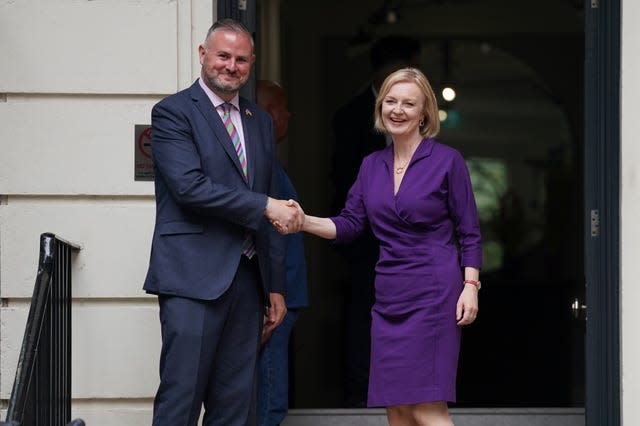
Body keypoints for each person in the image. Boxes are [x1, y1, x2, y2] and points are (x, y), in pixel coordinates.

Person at [296, 67, 482, 425]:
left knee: (427, 408)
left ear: (424, 112)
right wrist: (303, 221)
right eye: (390, 101)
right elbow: (350, 225)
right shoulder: (371, 166)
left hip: (435, 293)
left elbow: (470, 232)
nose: (397, 110)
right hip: (389, 297)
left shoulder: (447, 161)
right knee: (396, 410)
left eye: (408, 103)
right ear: (380, 107)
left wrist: (470, 286)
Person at [142, 19, 304, 426]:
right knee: (181, 401)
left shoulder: (259, 121)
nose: (231, 66)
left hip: (248, 284)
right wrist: (265, 205)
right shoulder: (172, 112)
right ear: (203, 55)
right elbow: (189, 188)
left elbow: (267, 207)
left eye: (241, 59)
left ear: (251, 64)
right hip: (191, 278)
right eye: (223, 56)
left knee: (235, 409)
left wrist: (276, 288)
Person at [330, 35, 421, 407]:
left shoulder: (425, 123)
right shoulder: (350, 116)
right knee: (364, 317)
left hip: (415, 245)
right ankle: (360, 399)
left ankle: (410, 396)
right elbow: (341, 181)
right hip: (365, 240)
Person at [255, 80, 309, 426]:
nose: (287, 114)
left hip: (283, 297)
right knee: (268, 400)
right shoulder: (260, 165)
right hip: (274, 301)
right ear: (266, 114)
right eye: (281, 106)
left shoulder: (269, 162)